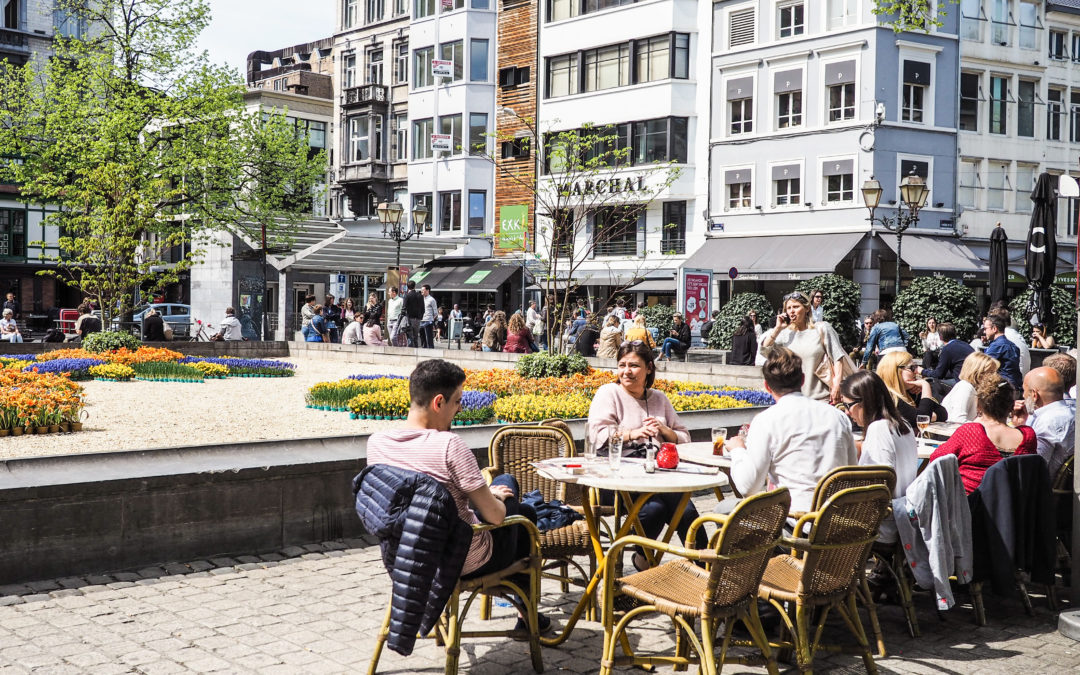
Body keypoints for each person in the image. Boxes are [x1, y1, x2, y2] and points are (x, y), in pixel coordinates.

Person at [365, 359, 547, 632]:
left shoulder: (378, 444)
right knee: (522, 513)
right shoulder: (448, 445)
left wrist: (479, 493)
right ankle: (526, 614)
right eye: (458, 401)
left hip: (407, 556)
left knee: (507, 490)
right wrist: (492, 498)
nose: (461, 408)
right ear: (439, 402)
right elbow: (495, 518)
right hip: (460, 559)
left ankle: (524, 610)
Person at [587, 340, 706, 569]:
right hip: (616, 482)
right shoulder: (608, 393)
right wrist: (633, 433)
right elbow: (597, 434)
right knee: (663, 506)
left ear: (649, 368)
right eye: (622, 365)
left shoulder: (659, 398)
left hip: (655, 478)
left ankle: (704, 572)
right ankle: (645, 562)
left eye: (634, 365)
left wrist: (664, 431)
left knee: (681, 508)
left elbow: (684, 438)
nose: (626, 371)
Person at [727, 347, 857, 513]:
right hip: (837, 520)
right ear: (803, 380)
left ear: (767, 386)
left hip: (794, 522)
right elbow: (852, 470)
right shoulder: (838, 417)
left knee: (724, 509)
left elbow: (748, 487)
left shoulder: (766, 420)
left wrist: (737, 451)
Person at [839, 370, 918, 541]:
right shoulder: (903, 425)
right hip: (902, 516)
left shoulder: (878, 429)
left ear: (864, 402)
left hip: (884, 524)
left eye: (848, 405)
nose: (846, 412)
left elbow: (878, 487)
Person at [928, 371, 1037, 494]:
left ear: (979, 405)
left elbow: (936, 460)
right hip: (1012, 509)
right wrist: (1019, 425)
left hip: (971, 507)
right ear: (1012, 406)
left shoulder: (971, 432)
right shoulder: (1028, 436)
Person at [760, 290, 846, 403]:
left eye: (795, 307)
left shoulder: (822, 329)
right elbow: (765, 352)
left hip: (820, 399)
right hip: (793, 400)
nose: (792, 311)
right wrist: (777, 329)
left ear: (807, 308)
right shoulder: (785, 334)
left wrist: (836, 385)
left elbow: (838, 357)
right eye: (788, 308)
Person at [1012, 366, 1075, 477]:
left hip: (1047, 488)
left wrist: (1019, 431)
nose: (1023, 396)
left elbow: (1032, 466)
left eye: (1024, 391)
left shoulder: (1047, 422)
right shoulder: (1074, 410)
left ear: (1034, 395)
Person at [877, 350, 948, 429]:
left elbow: (943, 413)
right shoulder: (890, 398)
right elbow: (922, 419)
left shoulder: (911, 393)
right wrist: (925, 386)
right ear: (896, 371)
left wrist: (928, 415)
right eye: (912, 368)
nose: (916, 372)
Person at [941, 352, 1000, 424]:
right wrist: (984, 426)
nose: (994, 376)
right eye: (990, 372)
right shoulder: (965, 388)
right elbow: (957, 420)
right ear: (977, 372)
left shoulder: (971, 388)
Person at [982, 313, 1022, 390]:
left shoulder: (997, 346)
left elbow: (982, 366)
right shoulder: (1011, 345)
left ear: (994, 329)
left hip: (1003, 388)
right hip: (1016, 386)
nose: (984, 332)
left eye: (985, 329)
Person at [989, 304, 1031, 376]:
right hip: (1023, 377)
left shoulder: (1003, 337)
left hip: (1011, 382)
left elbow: (985, 363)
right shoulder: (1016, 335)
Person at [404, 281, 424, 348]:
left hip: (409, 318)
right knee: (415, 336)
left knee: (409, 336)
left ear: (407, 287)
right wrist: (420, 317)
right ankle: (416, 349)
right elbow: (423, 308)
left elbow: (404, 307)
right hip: (417, 319)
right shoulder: (420, 295)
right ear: (414, 286)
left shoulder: (407, 295)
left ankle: (410, 350)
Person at [420, 284, 438, 348]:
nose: (421, 291)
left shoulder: (432, 300)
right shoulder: (421, 299)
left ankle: (431, 350)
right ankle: (423, 350)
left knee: (429, 338)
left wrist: (431, 320)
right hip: (421, 320)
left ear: (427, 290)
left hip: (428, 321)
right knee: (422, 338)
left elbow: (435, 312)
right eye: (421, 290)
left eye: (423, 290)